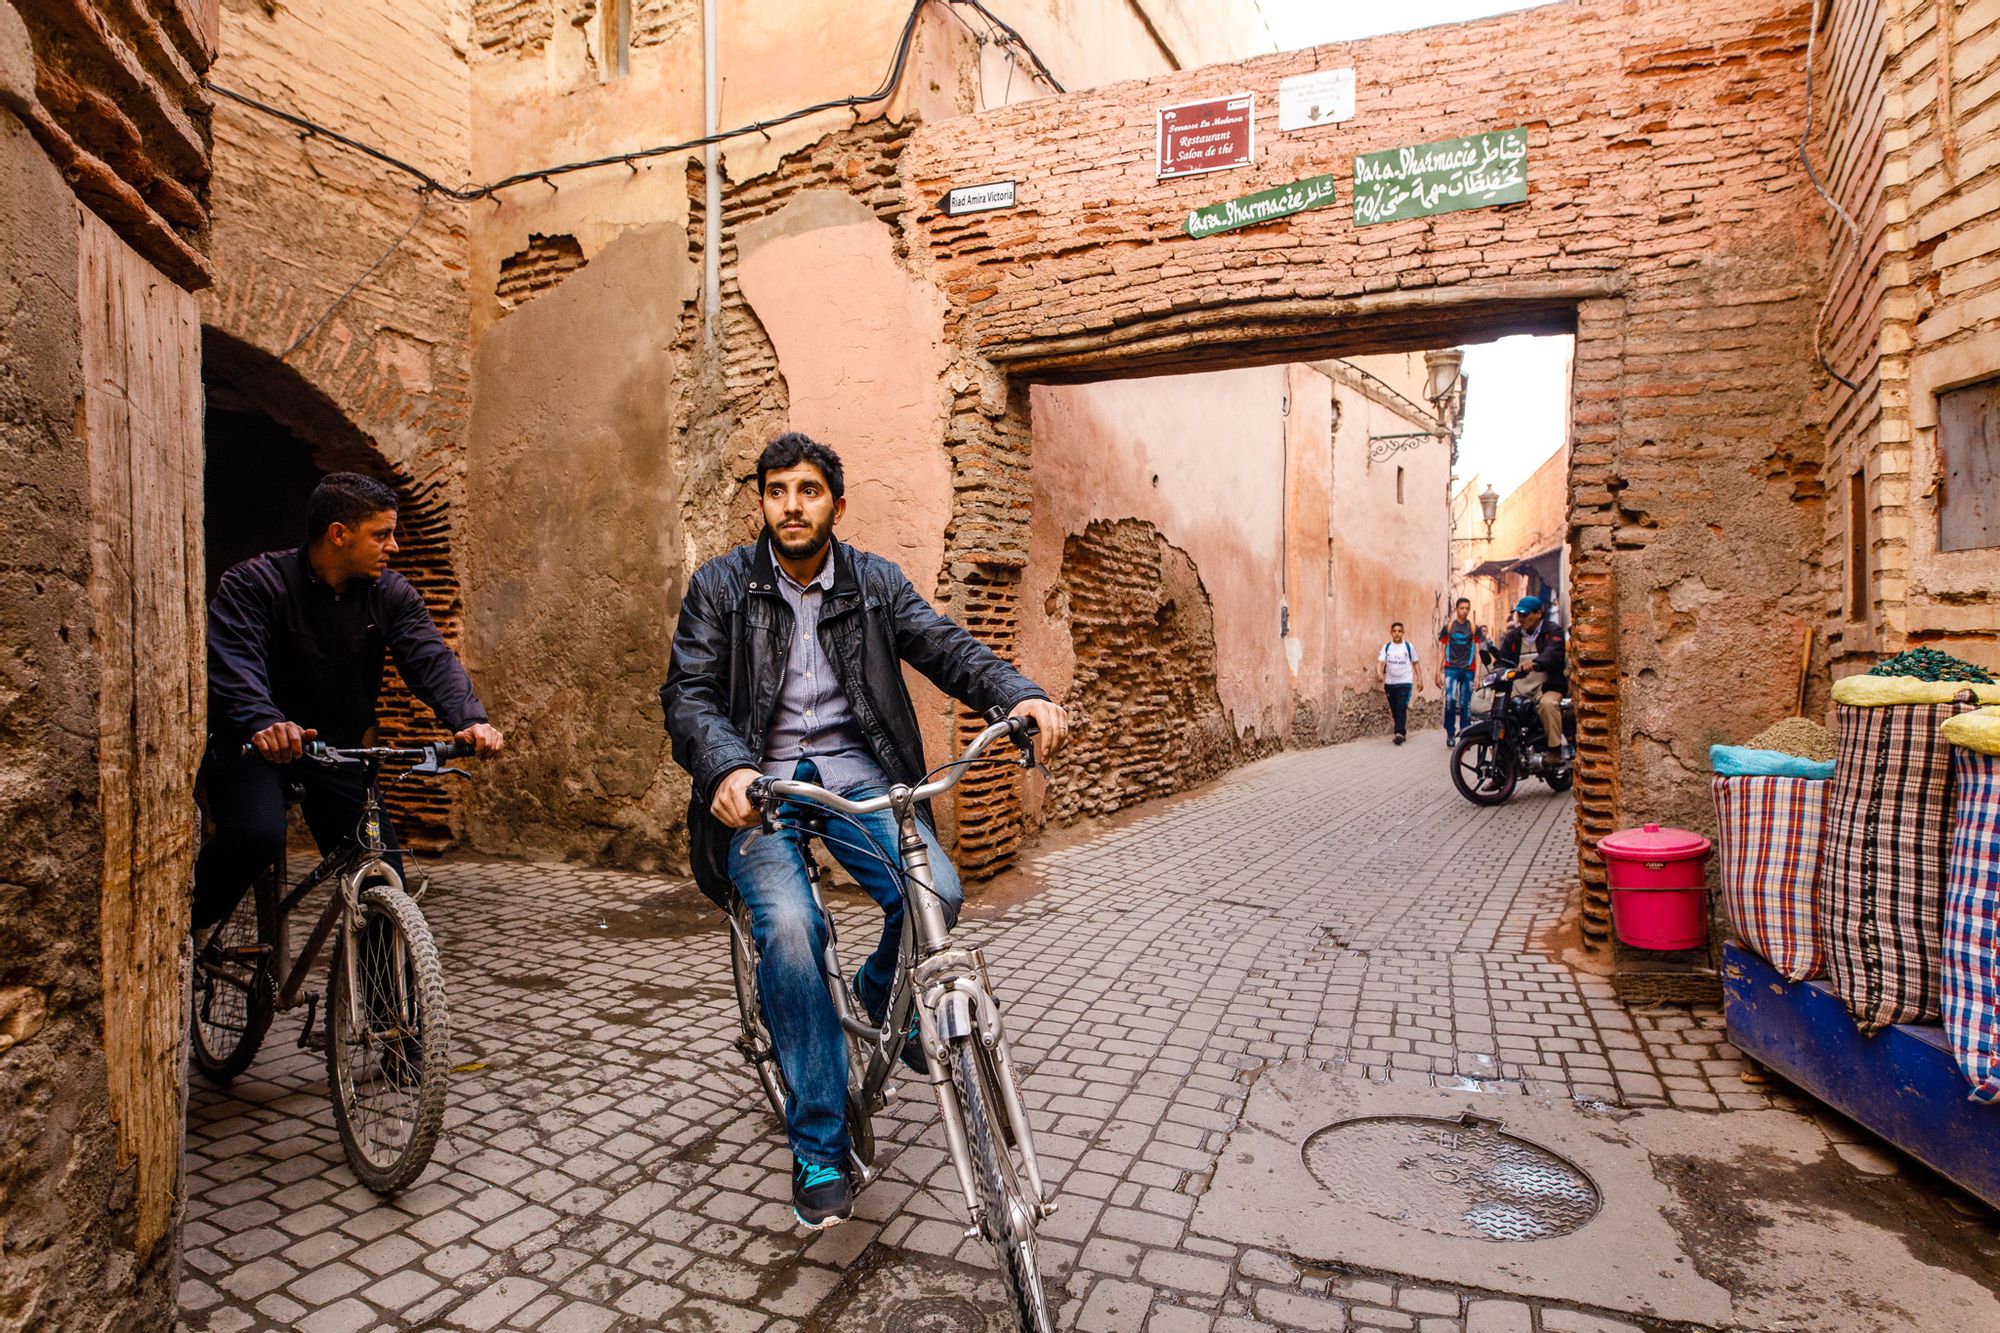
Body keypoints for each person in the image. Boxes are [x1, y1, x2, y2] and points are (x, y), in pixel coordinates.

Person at [661, 432, 1069, 1231]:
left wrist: (1017, 694)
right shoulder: (720, 587)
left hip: (859, 777)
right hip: (763, 782)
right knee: (788, 926)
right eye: (777, 491)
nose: (791, 506)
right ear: (762, 503)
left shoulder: (875, 584)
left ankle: (888, 1006)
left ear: (836, 505)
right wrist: (724, 769)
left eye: (808, 491)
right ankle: (817, 1139)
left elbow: (945, 645)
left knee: (939, 893)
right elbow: (689, 695)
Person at [193, 473, 504, 936]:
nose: (393, 547)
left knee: (384, 874)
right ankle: (188, 929)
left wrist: (470, 719)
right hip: (257, 747)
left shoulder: (391, 595)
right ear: (339, 534)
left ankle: (387, 1009)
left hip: (336, 753)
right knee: (256, 835)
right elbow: (234, 662)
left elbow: (430, 659)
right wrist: (263, 721)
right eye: (382, 535)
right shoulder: (254, 584)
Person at [1493, 594, 1568, 757]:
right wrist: (1497, 671)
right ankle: (1501, 761)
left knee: (1548, 705)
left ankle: (1554, 751)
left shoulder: (1553, 632)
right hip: (1519, 688)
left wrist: (1535, 663)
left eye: (1525, 615)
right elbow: (1502, 661)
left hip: (1547, 686)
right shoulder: (1512, 637)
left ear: (1538, 614)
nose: (1520, 618)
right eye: (1518, 614)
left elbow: (1552, 653)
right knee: (1500, 713)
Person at [1435, 597, 1483, 746]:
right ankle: (1450, 733)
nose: (1465, 611)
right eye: (1462, 608)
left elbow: (1477, 653)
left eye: (1467, 608)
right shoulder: (1448, 628)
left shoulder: (1474, 629)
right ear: (1456, 609)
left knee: (1465, 704)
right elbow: (1442, 650)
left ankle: (1465, 735)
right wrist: (1438, 672)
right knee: (1450, 700)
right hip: (1451, 669)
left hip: (1468, 670)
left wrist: (1477, 676)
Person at [1377, 621, 1420, 744]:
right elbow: (1380, 662)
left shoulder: (1408, 646)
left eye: (1399, 631)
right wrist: (1379, 673)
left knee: (1401, 707)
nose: (1397, 634)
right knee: (1395, 709)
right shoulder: (1387, 647)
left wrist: (1420, 679)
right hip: (1390, 683)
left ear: (1403, 633)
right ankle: (1401, 730)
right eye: (1394, 631)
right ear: (1391, 632)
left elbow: (1416, 663)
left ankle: (1399, 733)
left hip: (1405, 682)